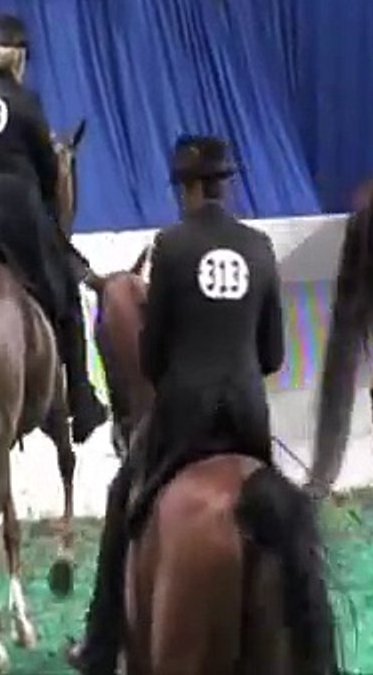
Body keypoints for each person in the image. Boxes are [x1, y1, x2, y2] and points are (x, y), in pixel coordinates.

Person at [65, 135, 286, 675]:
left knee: (124, 501)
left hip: (184, 415)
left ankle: (99, 649)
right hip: (250, 417)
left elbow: (153, 350)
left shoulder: (171, 246)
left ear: (187, 188)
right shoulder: (259, 246)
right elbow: (273, 354)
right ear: (224, 185)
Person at [0, 13, 107, 444]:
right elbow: (50, 172)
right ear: (19, 61)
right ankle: (82, 398)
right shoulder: (28, 103)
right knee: (65, 292)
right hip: (17, 215)